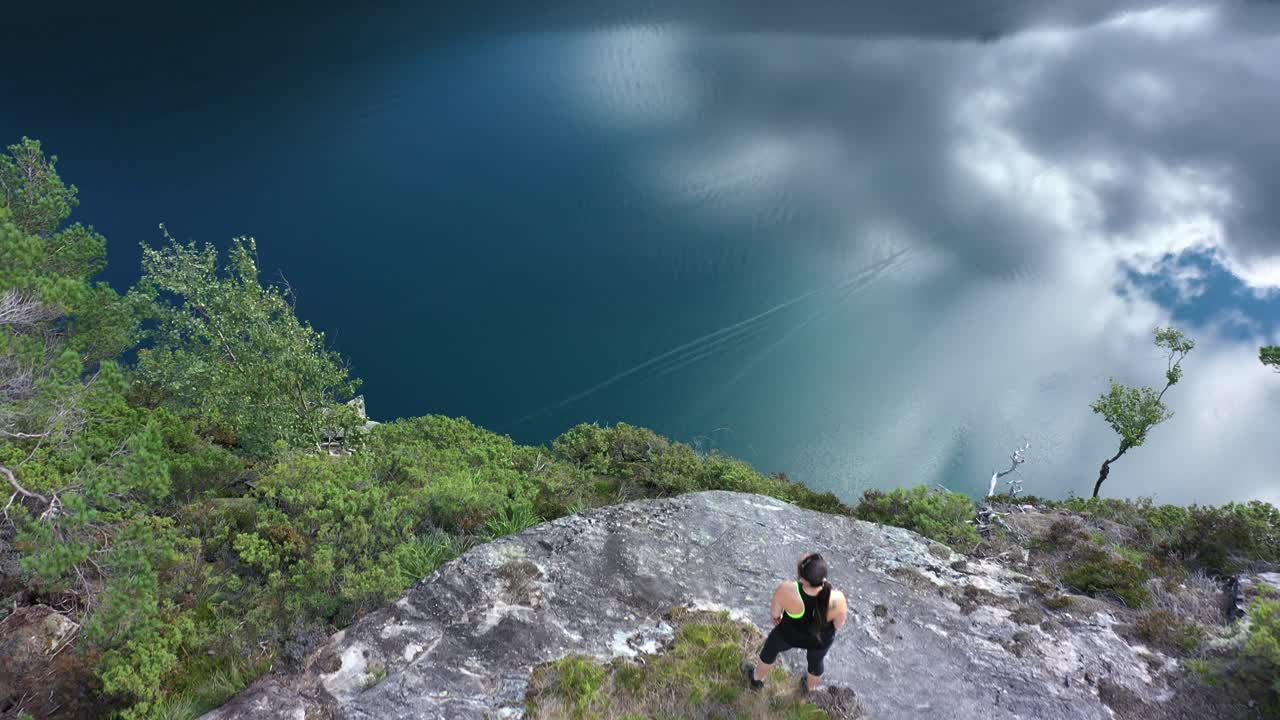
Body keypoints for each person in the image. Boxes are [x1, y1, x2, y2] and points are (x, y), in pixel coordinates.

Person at [747, 552, 848, 693]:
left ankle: (757, 681)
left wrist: (781, 620)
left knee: (770, 650)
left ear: (803, 578)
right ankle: (809, 690)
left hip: (789, 635)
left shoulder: (786, 589)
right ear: (823, 576)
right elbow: (838, 625)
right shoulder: (838, 598)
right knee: (816, 663)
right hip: (819, 641)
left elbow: (776, 616)